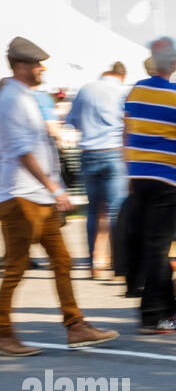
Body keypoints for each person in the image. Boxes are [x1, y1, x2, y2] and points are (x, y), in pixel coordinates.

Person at [0, 36, 118, 357]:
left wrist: (52, 191)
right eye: (37, 64)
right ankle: (3, 333)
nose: (42, 69)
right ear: (22, 66)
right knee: (16, 267)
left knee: (62, 261)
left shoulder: (25, 96)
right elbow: (23, 151)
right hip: (20, 197)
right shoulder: (13, 99)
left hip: (38, 196)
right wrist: (55, 188)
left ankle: (76, 325)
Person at [123, 35, 176, 334]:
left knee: (153, 244)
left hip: (139, 178)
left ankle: (168, 307)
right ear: (173, 64)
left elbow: (127, 133)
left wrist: (129, 172)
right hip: (169, 180)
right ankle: (153, 315)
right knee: (159, 248)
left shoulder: (135, 92)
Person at [65, 61, 128, 278]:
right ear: (122, 75)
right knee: (115, 211)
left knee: (93, 210)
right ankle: (118, 263)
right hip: (114, 152)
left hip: (89, 153)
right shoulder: (122, 91)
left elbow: (71, 122)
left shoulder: (85, 89)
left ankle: (95, 262)